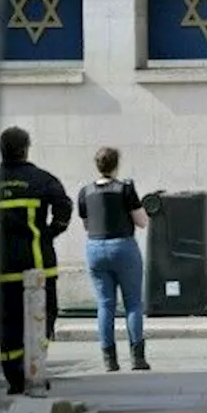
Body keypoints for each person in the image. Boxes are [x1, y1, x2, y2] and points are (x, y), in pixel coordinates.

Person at [0, 126, 73, 395]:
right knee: (41, 317)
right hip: (38, 264)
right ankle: (35, 372)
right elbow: (64, 205)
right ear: (26, 148)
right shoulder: (42, 180)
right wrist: (50, 233)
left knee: (7, 323)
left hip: (1, 267)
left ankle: (14, 379)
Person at [77, 147, 151, 373]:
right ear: (116, 165)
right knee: (133, 303)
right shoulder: (125, 189)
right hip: (123, 246)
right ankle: (137, 358)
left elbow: (87, 223)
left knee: (105, 304)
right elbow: (142, 221)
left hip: (95, 248)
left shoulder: (85, 191)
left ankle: (109, 359)